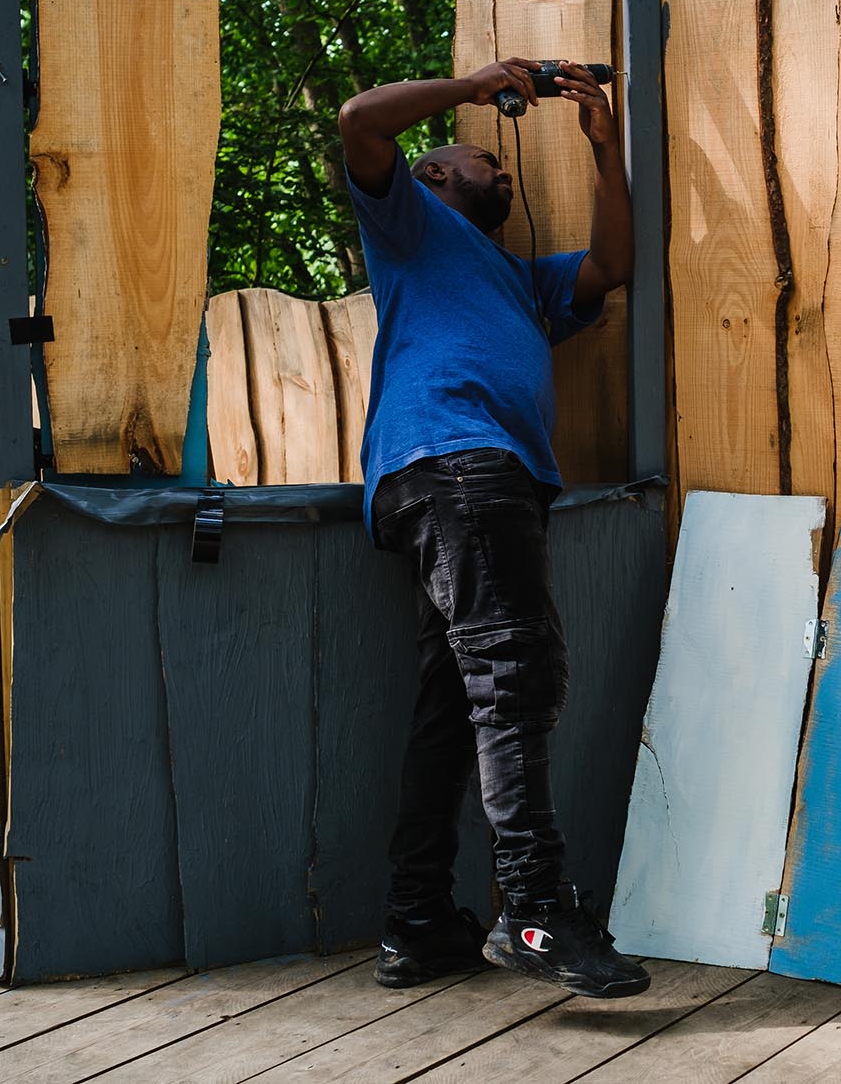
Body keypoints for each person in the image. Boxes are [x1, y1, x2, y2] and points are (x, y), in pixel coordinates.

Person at [335, 58, 650, 999]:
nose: (503, 171)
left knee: (454, 699)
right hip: (457, 465)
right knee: (515, 671)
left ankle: (421, 920)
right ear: (434, 174)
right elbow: (359, 118)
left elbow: (612, 266)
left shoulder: (519, 280)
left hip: (463, 482)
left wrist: (604, 152)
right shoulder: (409, 225)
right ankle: (535, 909)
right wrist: (476, 83)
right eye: (485, 159)